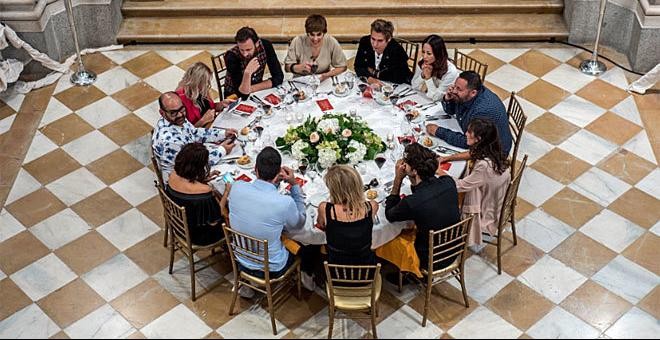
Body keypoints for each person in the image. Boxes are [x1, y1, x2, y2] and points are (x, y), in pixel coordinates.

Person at [227, 147, 311, 295]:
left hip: (240, 258)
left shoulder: (237, 187)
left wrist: (274, 183)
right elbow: (299, 223)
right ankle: (308, 280)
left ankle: (248, 284)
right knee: (305, 247)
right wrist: (295, 186)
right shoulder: (284, 202)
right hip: (271, 268)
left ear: (255, 169)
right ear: (278, 172)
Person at [385, 143, 460, 273]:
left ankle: (405, 271)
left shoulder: (412, 202)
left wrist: (398, 179)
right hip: (455, 247)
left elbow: (390, 215)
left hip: (430, 258)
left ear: (414, 171)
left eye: (406, 163)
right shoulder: (448, 183)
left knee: (392, 238)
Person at [438, 118, 511, 250]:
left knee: (442, 203)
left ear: (478, 138)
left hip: (486, 209)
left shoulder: (484, 166)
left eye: (469, 132)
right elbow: (472, 154)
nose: (465, 133)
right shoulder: (493, 149)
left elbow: (459, 186)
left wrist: (439, 171)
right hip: (496, 197)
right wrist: (448, 158)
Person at [152, 92, 237, 185]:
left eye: (182, 109)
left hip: (190, 166)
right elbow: (195, 165)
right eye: (173, 112)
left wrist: (222, 134)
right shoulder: (170, 142)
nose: (180, 115)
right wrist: (222, 150)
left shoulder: (176, 120)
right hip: (182, 182)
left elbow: (195, 133)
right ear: (162, 113)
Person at [426, 71, 512, 156]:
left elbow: (468, 142)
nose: (454, 91)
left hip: (493, 153)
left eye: (459, 89)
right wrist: (448, 99)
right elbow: (451, 111)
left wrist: (439, 131)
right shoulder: (466, 95)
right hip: (471, 133)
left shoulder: (482, 111)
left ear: (473, 93)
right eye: (455, 86)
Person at [316, 165, 378, 266]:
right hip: (366, 269)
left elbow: (321, 225)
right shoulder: (372, 206)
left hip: (335, 270)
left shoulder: (324, 208)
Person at [166, 143, 224, 245]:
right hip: (199, 235)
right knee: (230, 213)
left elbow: (187, 183)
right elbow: (215, 220)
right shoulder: (204, 192)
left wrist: (202, 179)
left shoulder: (173, 175)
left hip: (178, 225)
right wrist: (226, 192)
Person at [224, 27, 284, 99]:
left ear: (257, 43)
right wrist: (247, 73)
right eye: (241, 50)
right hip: (233, 95)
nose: (245, 54)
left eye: (248, 49)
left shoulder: (266, 45)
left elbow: (279, 77)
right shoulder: (231, 57)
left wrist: (251, 89)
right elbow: (242, 94)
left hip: (256, 90)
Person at [284, 14, 347, 82]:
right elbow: (287, 68)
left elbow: (342, 67)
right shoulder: (297, 41)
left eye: (319, 34)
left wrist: (327, 75)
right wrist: (296, 68)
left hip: (324, 81)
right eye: (312, 34)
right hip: (301, 81)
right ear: (307, 33)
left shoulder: (331, 41)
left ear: (324, 33)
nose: (315, 39)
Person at [176, 62, 235, 128]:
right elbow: (184, 133)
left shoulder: (202, 90)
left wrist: (220, 104)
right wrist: (203, 120)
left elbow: (209, 108)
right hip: (200, 133)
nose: (208, 85)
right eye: (205, 82)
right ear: (197, 82)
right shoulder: (180, 100)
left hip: (213, 125)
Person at [354, 19, 412, 86]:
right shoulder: (365, 41)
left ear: (389, 39)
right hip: (372, 84)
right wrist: (370, 79)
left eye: (380, 41)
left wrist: (374, 73)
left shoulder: (397, 50)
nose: (375, 44)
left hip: (395, 86)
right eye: (373, 39)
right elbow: (358, 66)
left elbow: (400, 77)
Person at [411, 34, 459, 101]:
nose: (424, 56)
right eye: (423, 52)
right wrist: (422, 75)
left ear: (438, 54)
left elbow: (437, 98)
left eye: (429, 53)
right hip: (428, 98)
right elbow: (414, 85)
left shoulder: (450, 71)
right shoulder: (424, 62)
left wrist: (428, 78)